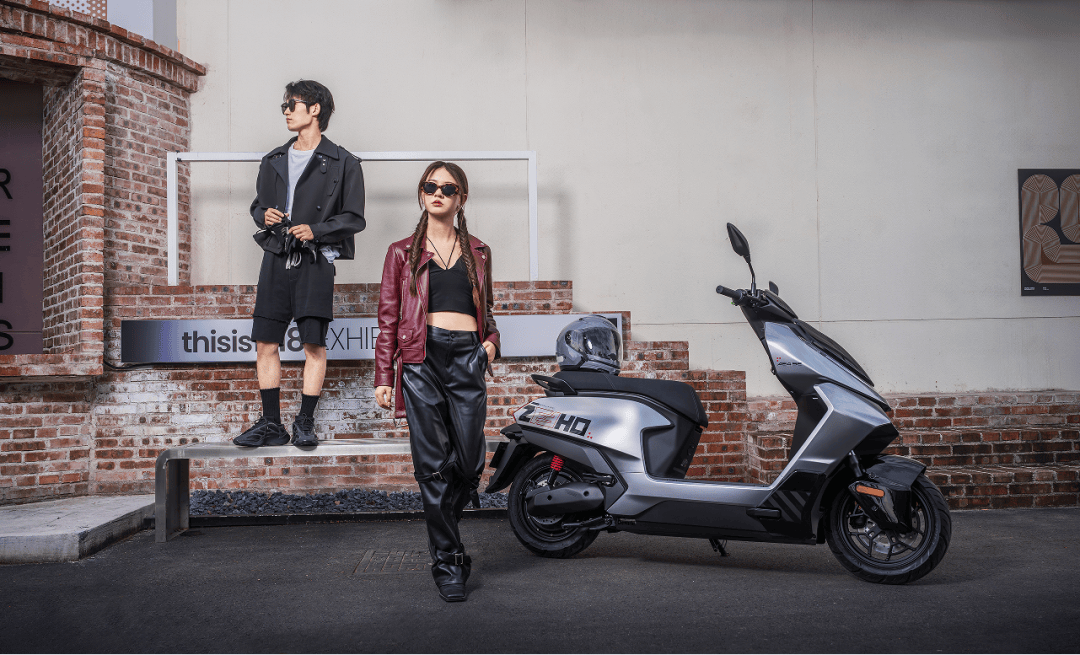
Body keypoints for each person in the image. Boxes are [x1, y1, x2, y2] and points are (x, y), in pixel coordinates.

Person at [374, 161, 500, 602]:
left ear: (461, 198)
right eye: (430, 186)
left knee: (469, 463)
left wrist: (490, 344)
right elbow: (388, 317)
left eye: (447, 188)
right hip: (420, 360)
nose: (438, 193)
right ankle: (448, 562)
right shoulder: (401, 252)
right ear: (422, 194)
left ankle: (444, 525)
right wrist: (383, 374)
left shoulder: (479, 251)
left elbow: (487, 311)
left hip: (467, 357)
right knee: (432, 468)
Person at [234, 80, 366, 448]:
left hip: (315, 260)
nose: (286, 111)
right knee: (265, 342)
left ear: (315, 109)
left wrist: (317, 230)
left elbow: (354, 218)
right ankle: (271, 424)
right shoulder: (273, 160)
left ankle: (305, 422)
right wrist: (264, 215)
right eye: (285, 105)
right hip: (276, 255)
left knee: (313, 345)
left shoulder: (344, 162)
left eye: (292, 104)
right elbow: (257, 206)